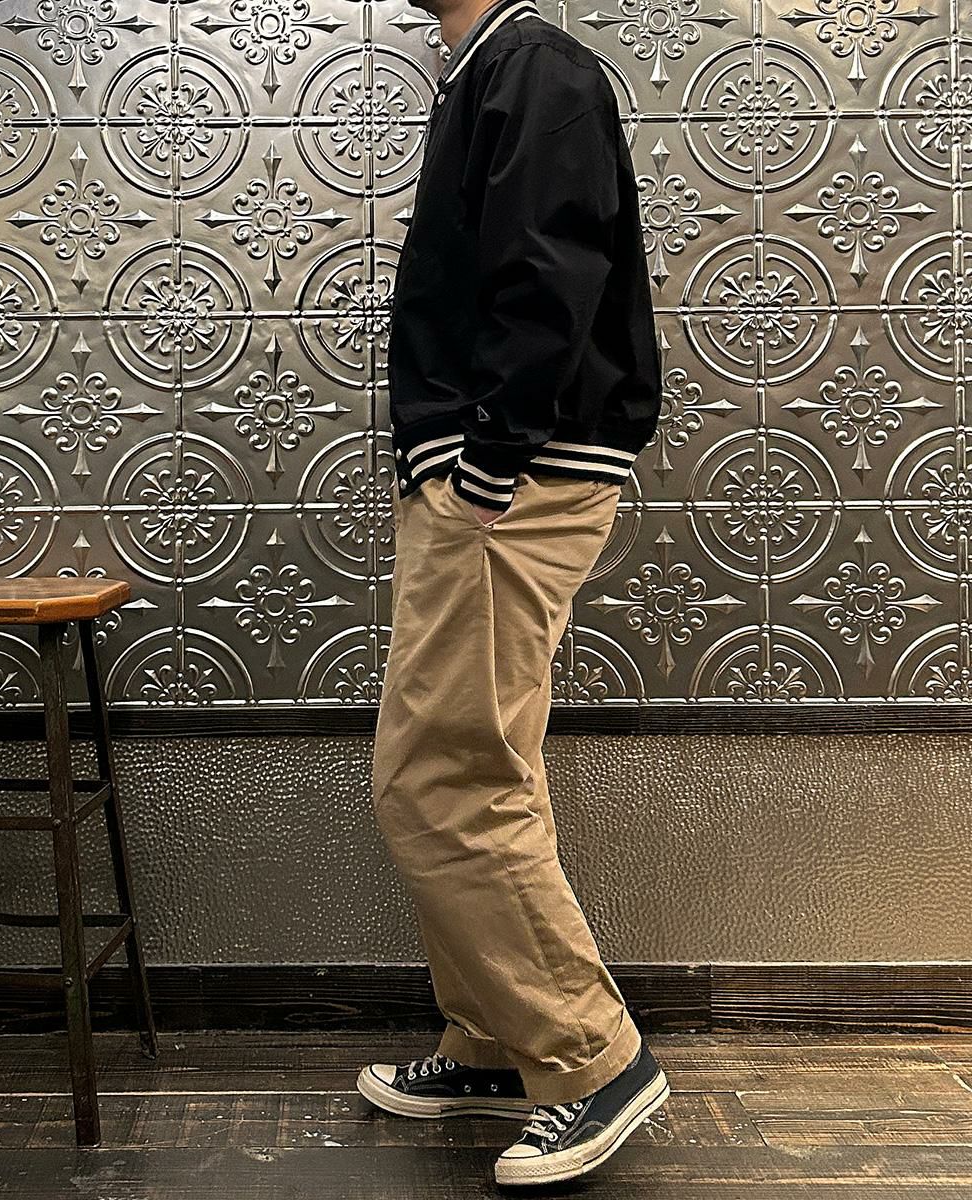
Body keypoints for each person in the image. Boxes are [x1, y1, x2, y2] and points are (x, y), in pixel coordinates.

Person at [359, 0, 668, 1186]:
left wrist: (488, 460)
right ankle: (498, 1044)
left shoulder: (533, 66)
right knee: (484, 764)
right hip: (505, 473)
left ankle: (593, 1059)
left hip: (513, 480)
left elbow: (551, 271)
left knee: (442, 777)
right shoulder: (497, 68)